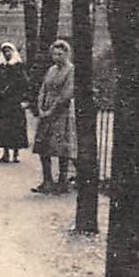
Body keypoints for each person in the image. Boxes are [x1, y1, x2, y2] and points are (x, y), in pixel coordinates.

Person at [32, 40, 77, 193]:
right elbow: (43, 89)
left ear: (67, 54)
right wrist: (40, 106)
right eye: (54, 54)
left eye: (60, 54)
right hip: (46, 110)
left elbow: (67, 93)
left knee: (61, 147)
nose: (56, 57)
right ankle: (47, 180)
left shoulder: (71, 70)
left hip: (61, 112)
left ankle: (62, 181)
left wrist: (52, 110)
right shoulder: (51, 70)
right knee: (43, 146)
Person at [0, 42, 30, 163]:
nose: (7, 53)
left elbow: (25, 84)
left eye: (9, 51)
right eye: (4, 51)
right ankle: (5, 153)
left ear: (13, 52)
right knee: (4, 128)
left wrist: (24, 99)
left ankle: (16, 153)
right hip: (3, 102)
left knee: (16, 127)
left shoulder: (19, 66)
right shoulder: (1, 67)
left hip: (15, 101)